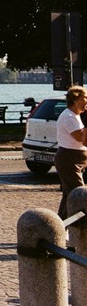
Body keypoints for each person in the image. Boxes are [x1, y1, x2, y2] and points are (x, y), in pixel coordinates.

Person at [55, 85, 87, 219]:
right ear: (75, 100)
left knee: (69, 196)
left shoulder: (77, 116)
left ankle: (58, 229)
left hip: (77, 159)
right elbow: (82, 140)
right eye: (85, 98)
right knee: (80, 196)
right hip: (69, 160)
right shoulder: (69, 117)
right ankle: (79, 231)